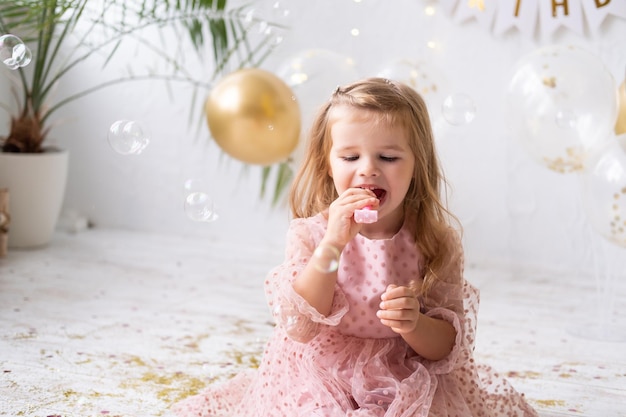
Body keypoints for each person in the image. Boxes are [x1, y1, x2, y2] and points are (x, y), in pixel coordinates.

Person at [172, 78, 538, 417]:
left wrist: (414, 324)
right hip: (321, 368)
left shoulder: (434, 241)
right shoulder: (311, 235)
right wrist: (333, 243)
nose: (368, 170)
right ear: (327, 165)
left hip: (404, 372)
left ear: (417, 166)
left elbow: (446, 347)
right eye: (350, 157)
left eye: (389, 158)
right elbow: (301, 322)